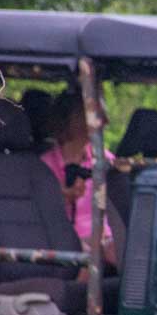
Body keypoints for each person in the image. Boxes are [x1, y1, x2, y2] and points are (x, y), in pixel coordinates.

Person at [40, 91, 114, 253]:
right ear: (74, 119)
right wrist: (64, 199)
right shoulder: (44, 166)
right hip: (64, 241)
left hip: (104, 238)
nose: (105, 122)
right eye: (97, 115)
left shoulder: (105, 159)